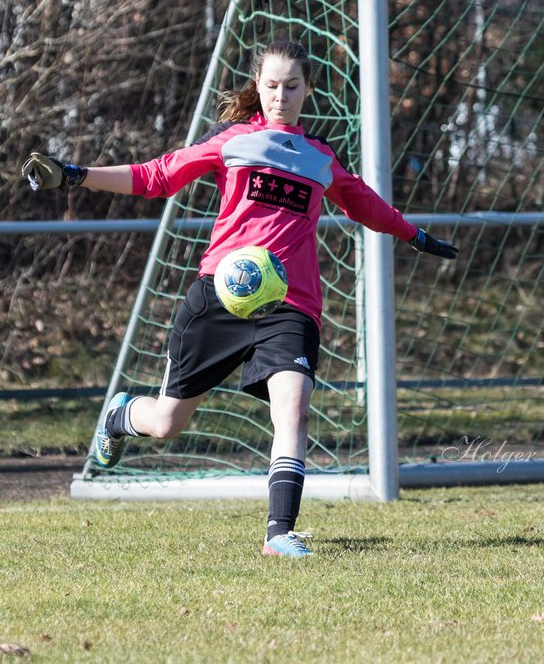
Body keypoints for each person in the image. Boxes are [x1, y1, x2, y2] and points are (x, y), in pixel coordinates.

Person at [22, 40, 457, 559]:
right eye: (270, 86)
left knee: (292, 410)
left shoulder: (321, 158)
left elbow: (366, 204)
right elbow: (156, 176)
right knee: (165, 423)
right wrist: (77, 174)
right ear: (257, 87)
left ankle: (279, 533)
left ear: (308, 89)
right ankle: (120, 416)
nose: (280, 96)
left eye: (291, 86)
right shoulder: (232, 141)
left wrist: (414, 235)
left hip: (290, 306)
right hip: (218, 299)